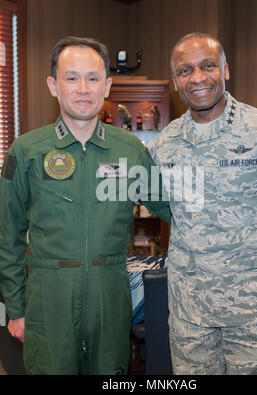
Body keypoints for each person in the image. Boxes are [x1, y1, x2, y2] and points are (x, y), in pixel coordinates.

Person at [0, 36, 170, 375]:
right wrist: (15, 308)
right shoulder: (26, 150)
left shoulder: (130, 149)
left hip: (110, 293)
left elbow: (170, 208)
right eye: (71, 77)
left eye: (92, 78)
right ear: (53, 85)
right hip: (49, 295)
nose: (83, 88)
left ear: (106, 86)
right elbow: (9, 236)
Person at [148, 32, 257, 375]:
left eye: (208, 66)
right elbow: (158, 205)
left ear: (226, 70)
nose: (198, 78)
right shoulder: (165, 144)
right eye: (185, 70)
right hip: (189, 318)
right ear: (174, 81)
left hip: (255, 315)